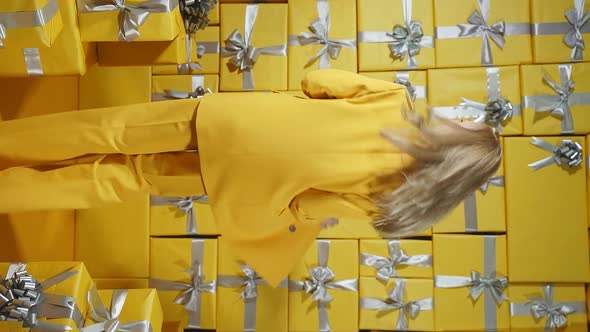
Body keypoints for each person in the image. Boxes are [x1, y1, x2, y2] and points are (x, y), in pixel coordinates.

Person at [0, 69, 501, 286]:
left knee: (108, 131)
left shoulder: (396, 100)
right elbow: (308, 207)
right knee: (124, 179)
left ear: (460, 132)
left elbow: (316, 81)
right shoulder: (393, 199)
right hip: (239, 180)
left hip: (233, 122)